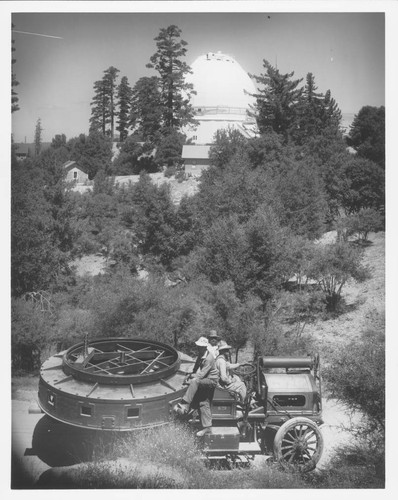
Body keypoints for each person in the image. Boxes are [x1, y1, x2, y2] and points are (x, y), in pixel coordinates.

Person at [175, 336, 219, 436]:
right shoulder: (201, 355)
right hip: (204, 379)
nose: (198, 348)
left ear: (205, 347)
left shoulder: (209, 358)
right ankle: (206, 427)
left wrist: (191, 377)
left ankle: (185, 403)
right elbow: (195, 370)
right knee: (203, 402)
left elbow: (200, 375)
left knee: (195, 381)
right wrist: (189, 375)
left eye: (200, 347)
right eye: (198, 346)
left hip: (211, 380)